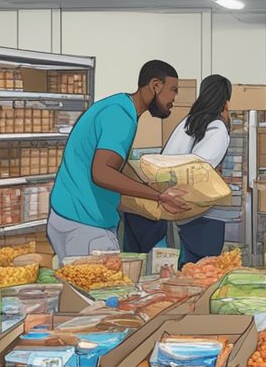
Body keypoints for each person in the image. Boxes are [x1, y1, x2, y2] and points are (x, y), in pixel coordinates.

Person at [47, 60, 189, 259]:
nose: (174, 98)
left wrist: (149, 187)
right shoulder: (122, 116)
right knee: (104, 289)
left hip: (65, 217)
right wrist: (158, 196)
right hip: (88, 227)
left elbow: (116, 167)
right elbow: (102, 172)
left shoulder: (117, 105)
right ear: (155, 85)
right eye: (173, 90)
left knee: (76, 288)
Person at [122, 74, 234, 265]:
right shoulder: (217, 128)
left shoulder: (188, 121)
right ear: (225, 101)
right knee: (200, 270)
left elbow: (169, 159)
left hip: (162, 202)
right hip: (193, 211)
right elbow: (200, 168)